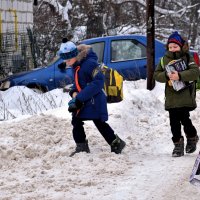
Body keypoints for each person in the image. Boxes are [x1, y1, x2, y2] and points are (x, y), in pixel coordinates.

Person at [58, 38, 126, 156]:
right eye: (65, 61)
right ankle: (81, 146)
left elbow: (99, 82)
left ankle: (116, 143)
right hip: (84, 100)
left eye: (69, 60)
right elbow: (79, 82)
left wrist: (79, 98)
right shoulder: (76, 65)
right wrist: (74, 93)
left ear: (75, 55)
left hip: (95, 100)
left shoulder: (89, 64)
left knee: (99, 122)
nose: (67, 63)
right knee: (76, 120)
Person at [154, 31, 199, 157]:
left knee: (185, 120)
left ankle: (192, 137)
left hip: (185, 96)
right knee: (174, 123)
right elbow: (156, 75)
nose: (173, 49)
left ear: (181, 46)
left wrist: (180, 75)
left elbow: (195, 72)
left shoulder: (187, 57)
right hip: (172, 98)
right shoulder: (164, 60)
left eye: (175, 46)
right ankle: (178, 145)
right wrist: (166, 75)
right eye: (170, 47)